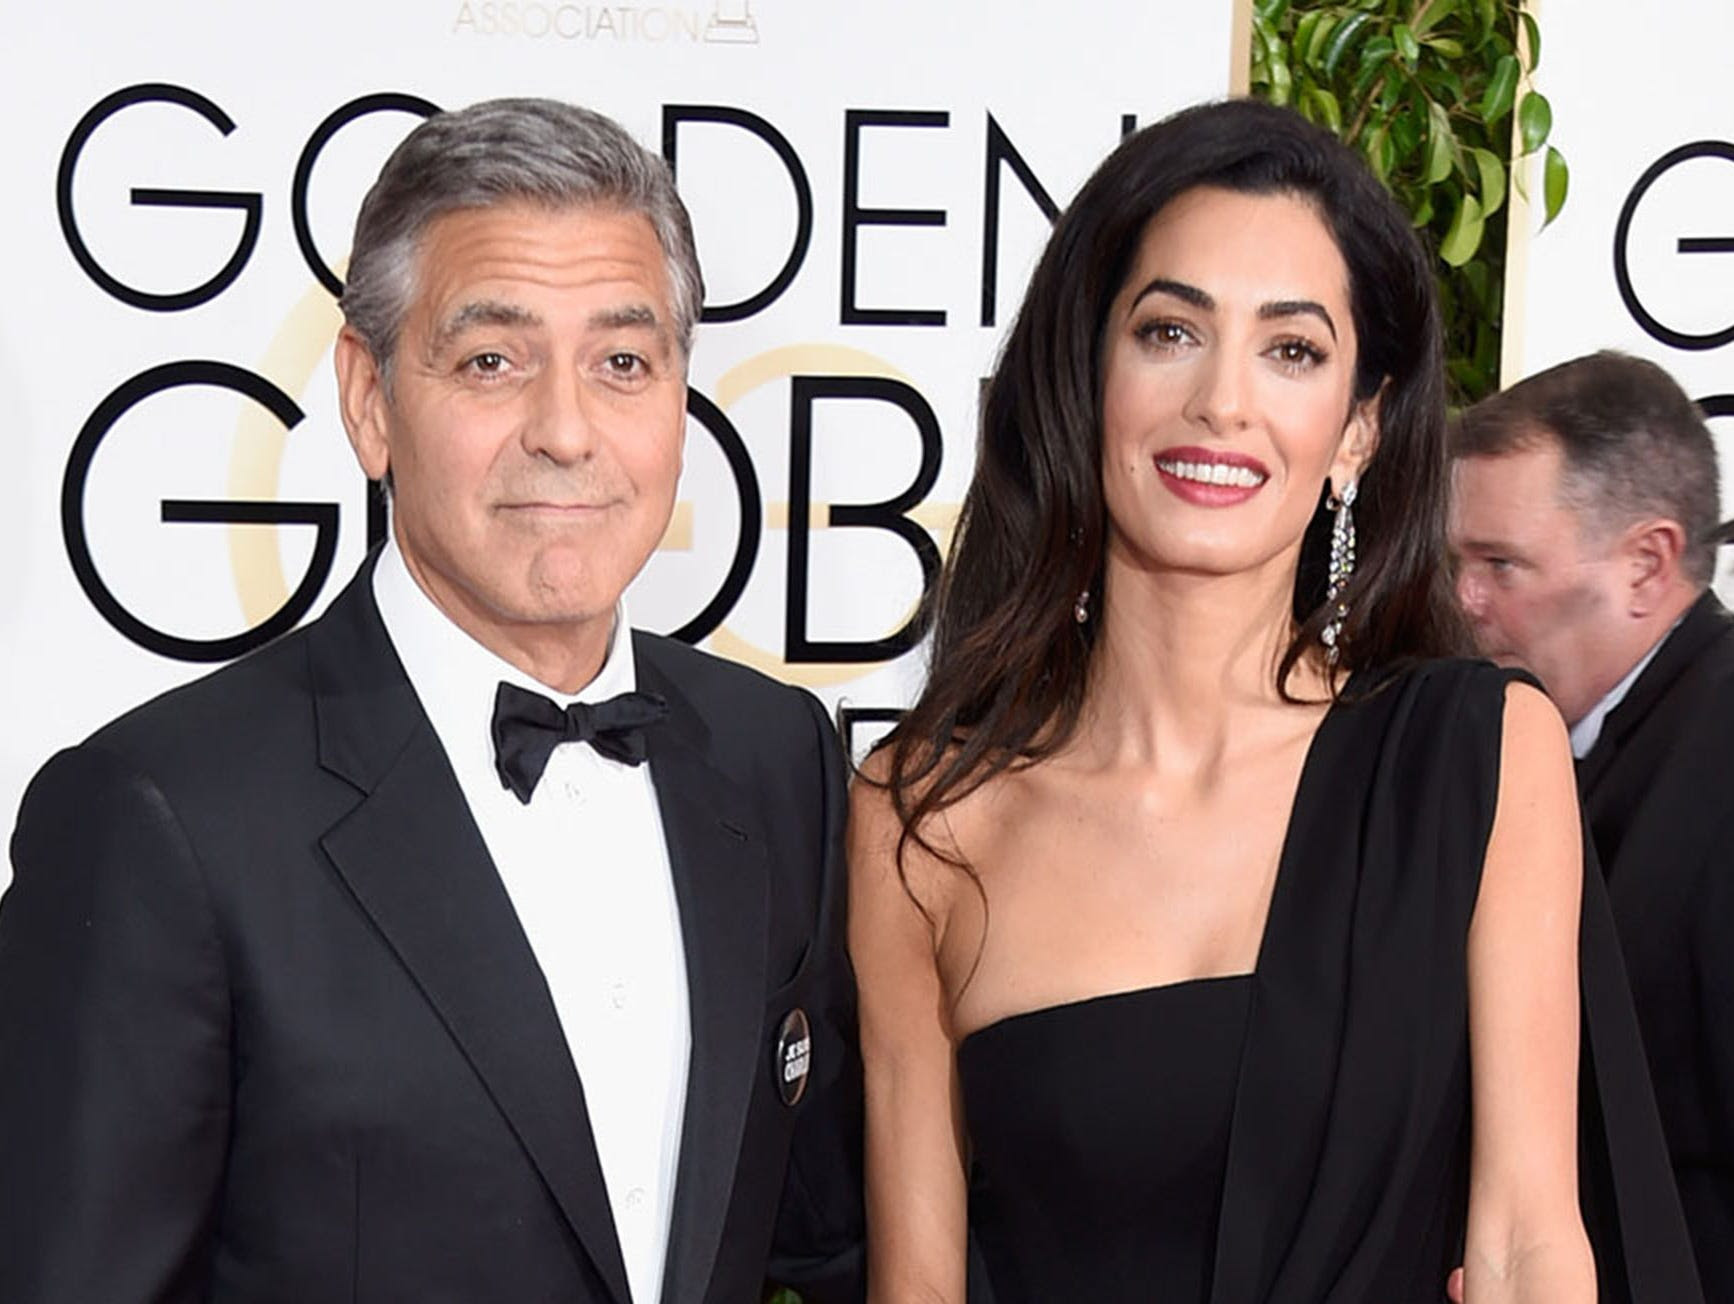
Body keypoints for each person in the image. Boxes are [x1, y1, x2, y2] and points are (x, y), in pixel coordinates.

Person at [0, 99, 861, 1304]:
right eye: (492, 360)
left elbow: (823, 1241)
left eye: (624, 361)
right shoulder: (161, 816)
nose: (566, 431)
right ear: (368, 398)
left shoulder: (777, 756)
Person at [848, 99, 1699, 1304]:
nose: (1223, 404)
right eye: (1168, 332)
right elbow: (918, 1287)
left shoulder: (1471, 756)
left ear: (1356, 430)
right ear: (1086, 376)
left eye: (1290, 350)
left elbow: (1525, 1243)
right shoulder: (922, 812)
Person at [1451, 350, 1734, 1299]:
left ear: (1648, 564)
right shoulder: (1560, 749)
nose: (1464, 601)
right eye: (1455, 561)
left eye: (1501, 565)